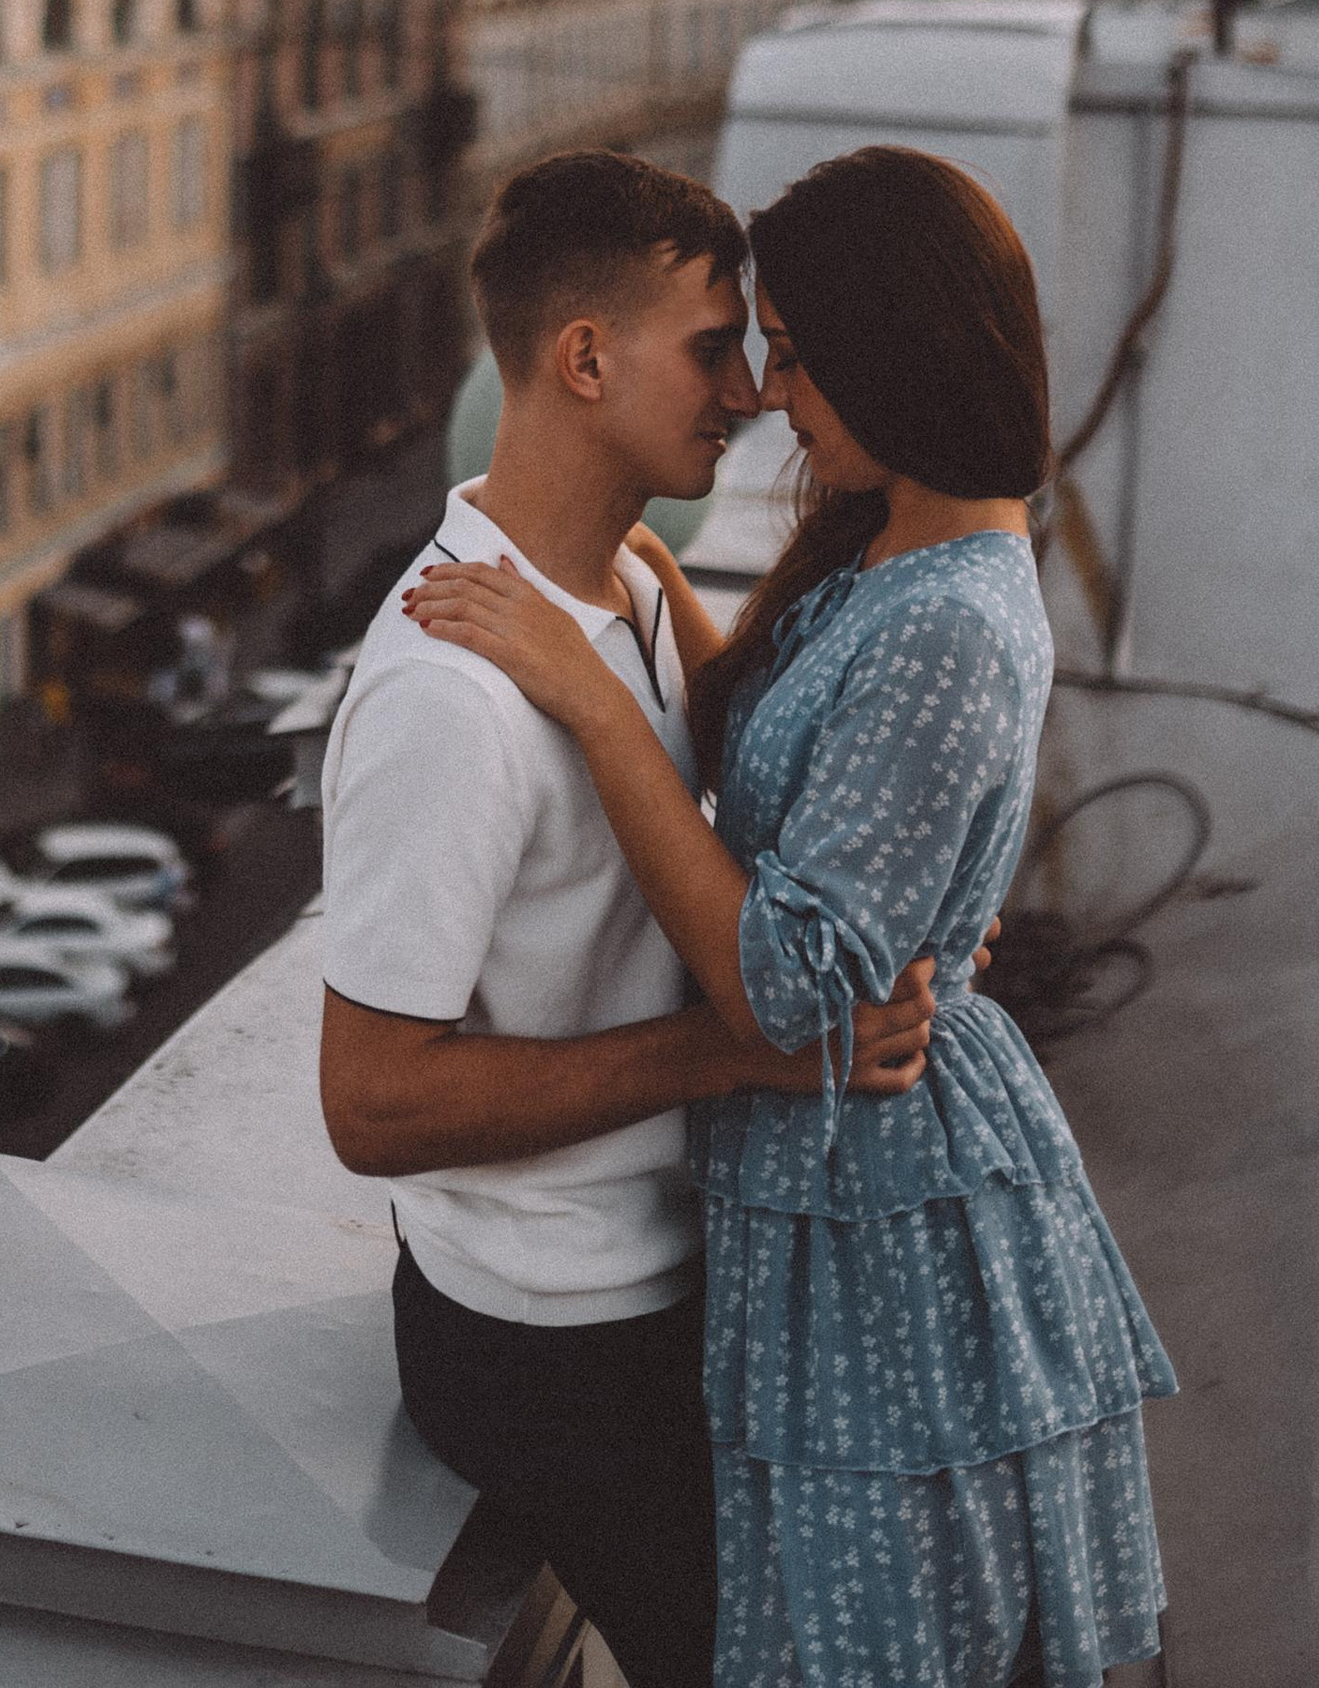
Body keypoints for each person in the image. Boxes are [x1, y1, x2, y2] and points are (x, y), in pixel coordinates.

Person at [406, 146, 1174, 1688]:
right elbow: (768, 727)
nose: (769, 390)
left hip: (883, 1196)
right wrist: (614, 564)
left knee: (870, 1638)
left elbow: (778, 989)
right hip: (829, 1168)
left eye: (802, 356)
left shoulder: (954, 613)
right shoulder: (888, 535)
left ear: (903, 353)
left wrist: (579, 691)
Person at [318, 151, 942, 1688]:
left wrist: (904, 919)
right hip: (546, 1343)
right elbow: (370, 1101)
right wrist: (738, 1055)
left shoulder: (637, 584)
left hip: (673, 1276)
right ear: (583, 357)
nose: (750, 390)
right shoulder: (448, 690)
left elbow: (769, 800)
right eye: (713, 347)